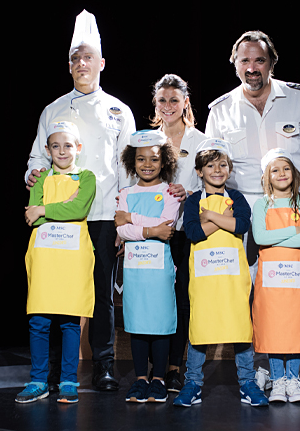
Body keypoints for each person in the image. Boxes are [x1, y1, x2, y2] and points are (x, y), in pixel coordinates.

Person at [204, 30, 300, 394]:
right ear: (235, 65)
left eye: (259, 60)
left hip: (297, 206)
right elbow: (212, 165)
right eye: (244, 60)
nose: (252, 68)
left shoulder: (299, 99)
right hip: (246, 210)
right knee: (253, 288)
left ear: (272, 63)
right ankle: (261, 364)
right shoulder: (221, 110)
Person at [25, 10, 135, 391]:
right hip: (59, 217)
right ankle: (54, 369)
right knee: (56, 293)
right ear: (69, 65)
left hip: (101, 214)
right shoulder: (53, 109)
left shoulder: (119, 111)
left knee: (102, 294)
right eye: (76, 58)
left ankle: (103, 365)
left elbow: (127, 169)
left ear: (101, 63)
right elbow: (37, 158)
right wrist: (33, 174)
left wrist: (124, 217)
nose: (82, 64)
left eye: (88, 57)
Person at [172, 139, 269, 408]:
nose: (217, 170)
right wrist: (222, 218)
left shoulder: (237, 198)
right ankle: (193, 383)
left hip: (232, 277)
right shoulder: (194, 200)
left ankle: (247, 382)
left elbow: (241, 224)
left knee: (240, 327)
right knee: (200, 328)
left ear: (230, 168)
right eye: (210, 165)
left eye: (223, 165)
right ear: (199, 171)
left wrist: (210, 218)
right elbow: (193, 232)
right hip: (204, 278)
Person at [19, 121, 96, 404]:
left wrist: (46, 209)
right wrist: (62, 208)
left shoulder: (87, 177)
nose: (62, 151)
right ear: (48, 150)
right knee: (39, 321)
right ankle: (38, 380)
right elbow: (32, 217)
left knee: (69, 321)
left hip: (72, 258)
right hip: (45, 257)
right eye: (55, 146)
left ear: (78, 148)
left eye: (67, 145)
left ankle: (68, 381)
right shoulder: (40, 178)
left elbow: (79, 209)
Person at [149, 74, 208, 392]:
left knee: (182, 300)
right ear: (155, 103)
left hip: (186, 232)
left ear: (185, 102)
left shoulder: (200, 141)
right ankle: (153, 369)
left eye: (174, 100)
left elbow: (213, 183)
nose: (168, 106)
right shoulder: (146, 140)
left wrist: (190, 192)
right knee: (156, 299)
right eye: (162, 100)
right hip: (153, 233)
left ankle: (174, 367)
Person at [114, 130, 182, 403]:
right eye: (141, 159)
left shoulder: (170, 193)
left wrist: (131, 218)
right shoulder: (125, 193)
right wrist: (150, 230)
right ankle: (141, 379)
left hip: (160, 271)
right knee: (138, 323)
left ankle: (159, 380)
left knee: (160, 323)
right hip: (135, 270)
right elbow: (121, 230)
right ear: (132, 161)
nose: (147, 164)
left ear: (164, 161)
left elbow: (167, 226)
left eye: (154, 159)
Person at [250, 148, 300, 403]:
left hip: (295, 277)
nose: (281, 173)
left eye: (286, 168)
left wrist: (277, 239)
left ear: (294, 173)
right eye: (275, 170)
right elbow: (260, 237)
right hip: (271, 279)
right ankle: (277, 381)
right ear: (266, 176)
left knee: (296, 326)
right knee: (274, 327)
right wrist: (292, 230)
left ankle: (292, 380)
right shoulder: (261, 205)